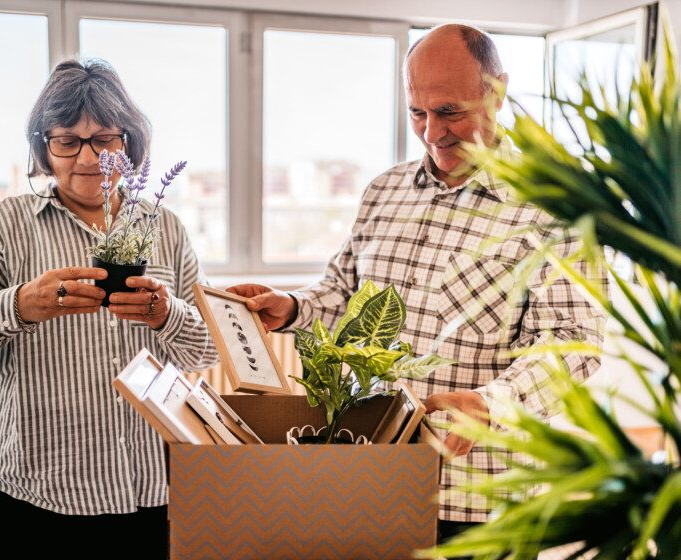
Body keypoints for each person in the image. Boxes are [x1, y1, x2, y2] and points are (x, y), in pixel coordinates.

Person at [229, 24, 607, 543]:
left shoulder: (555, 206)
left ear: (497, 92)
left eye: (450, 111)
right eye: (417, 113)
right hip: (372, 475)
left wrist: (490, 403)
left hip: (480, 495)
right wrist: (292, 309)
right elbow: (343, 294)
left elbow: (573, 344)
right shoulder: (384, 191)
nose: (432, 132)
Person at [0, 59, 218, 559]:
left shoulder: (167, 229)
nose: (88, 158)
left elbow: (208, 346)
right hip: (25, 490)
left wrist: (167, 315)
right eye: (67, 141)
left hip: (140, 487)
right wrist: (19, 305)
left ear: (128, 144)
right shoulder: (5, 226)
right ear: (43, 147)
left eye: (104, 140)